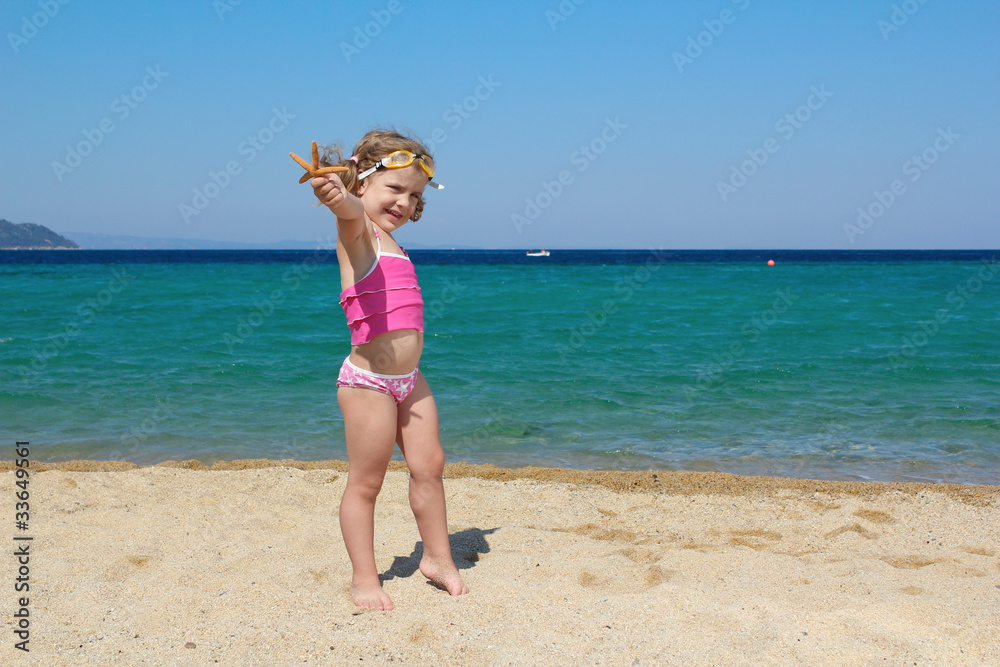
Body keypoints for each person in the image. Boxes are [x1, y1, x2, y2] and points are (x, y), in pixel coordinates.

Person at [309, 129, 468, 611]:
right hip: (368, 383)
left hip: (410, 379)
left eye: (414, 195)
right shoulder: (358, 235)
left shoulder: (396, 246)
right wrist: (337, 199)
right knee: (367, 481)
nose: (403, 201)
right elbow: (350, 214)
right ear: (361, 182)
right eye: (394, 189)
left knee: (430, 466)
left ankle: (437, 558)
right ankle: (364, 578)